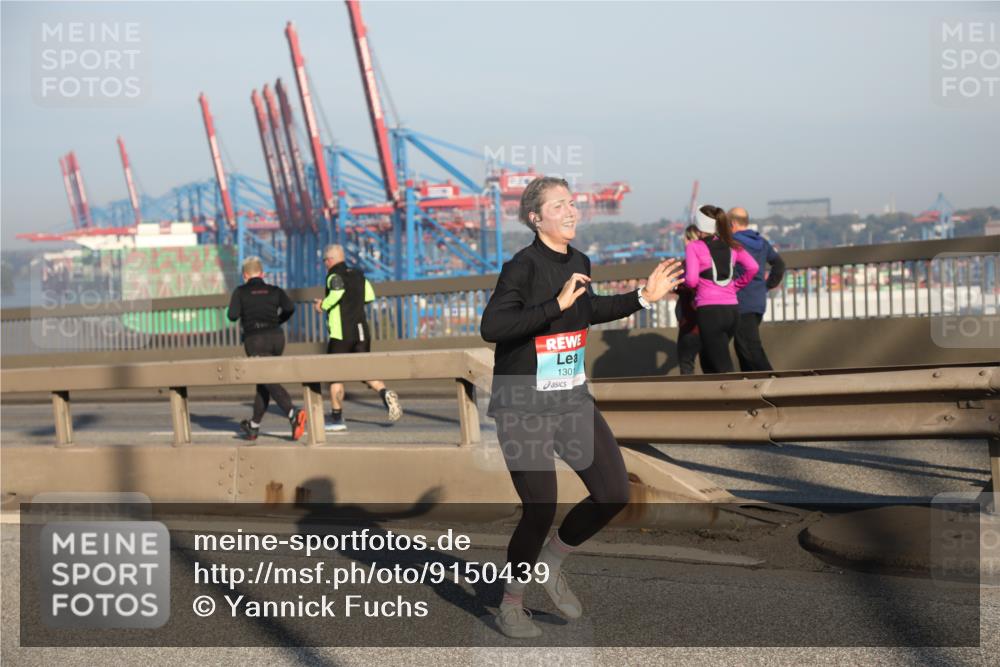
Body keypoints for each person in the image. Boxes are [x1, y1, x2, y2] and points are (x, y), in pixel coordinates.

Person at [480, 176, 683, 638]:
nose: (571, 211)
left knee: (613, 493)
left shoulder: (579, 260)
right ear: (536, 218)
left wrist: (641, 298)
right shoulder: (522, 268)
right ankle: (511, 603)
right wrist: (553, 304)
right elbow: (493, 326)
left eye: (571, 203)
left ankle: (550, 564)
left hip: (571, 399)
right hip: (523, 404)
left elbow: (586, 310)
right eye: (559, 206)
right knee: (540, 507)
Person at [312, 244, 402, 432]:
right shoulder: (359, 274)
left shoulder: (333, 276)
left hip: (340, 333)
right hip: (362, 331)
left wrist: (323, 305)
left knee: (335, 376)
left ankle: (337, 419)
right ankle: (385, 392)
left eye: (325, 261)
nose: (325, 265)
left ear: (329, 260)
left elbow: (337, 292)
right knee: (364, 370)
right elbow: (369, 296)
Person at [226, 256, 308, 441]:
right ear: (262, 274)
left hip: (255, 339)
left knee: (267, 378)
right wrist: (278, 321)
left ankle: (292, 413)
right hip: (277, 338)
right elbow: (290, 308)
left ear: (245, 275)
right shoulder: (275, 290)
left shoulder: (240, 291)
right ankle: (253, 426)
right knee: (263, 381)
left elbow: (232, 315)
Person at [684, 205, 758, 374]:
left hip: (710, 312)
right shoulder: (732, 245)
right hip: (732, 311)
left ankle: (738, 398)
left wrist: (682, 284)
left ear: (698, 225)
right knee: (708, 359)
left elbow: (692, 280)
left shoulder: (694, 247)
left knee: (723, 367)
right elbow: (752, 267)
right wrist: (735, 286)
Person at [728, 207, 785, 372]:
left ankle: (773, 381)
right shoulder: (761, 242)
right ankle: (751, 386)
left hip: (741, 301)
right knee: (743, 348)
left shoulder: (731, 243)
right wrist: (766, 286)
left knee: (749, 347)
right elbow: (779, 264)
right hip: (758, 301)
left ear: (731, 223)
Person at [675, 225, 702, 375]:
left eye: (685, 238)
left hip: (690, 320)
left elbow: (689, 284)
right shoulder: (707, 260)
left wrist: (676, 286)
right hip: (705, 319)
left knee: (686, 363)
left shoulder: (689, 263)